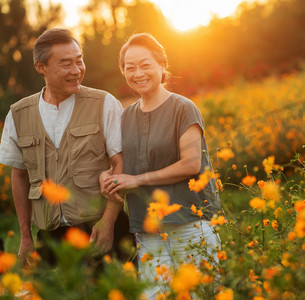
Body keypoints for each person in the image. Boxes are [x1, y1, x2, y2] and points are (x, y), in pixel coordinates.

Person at [101, 33, 221, 298]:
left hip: (188, 223)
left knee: (200, 294)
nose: (137, 73)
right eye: (129, 67)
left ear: (162, 65)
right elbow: (123, 162)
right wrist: (107, 175)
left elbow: (191, 164)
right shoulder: (126, 116)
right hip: (148, 228)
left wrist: (137, 180)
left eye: (145, 64)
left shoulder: (183, 108)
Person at [0, 28, 131, 265]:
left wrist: (109, 222)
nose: (76, 70)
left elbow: (120, 163)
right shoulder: (18, 115)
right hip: (51, 239)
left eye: (79, 61)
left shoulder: (104, 103)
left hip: (100, 229)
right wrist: (26, 237)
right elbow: (19, 176)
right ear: (41, 67)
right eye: (66, 64)